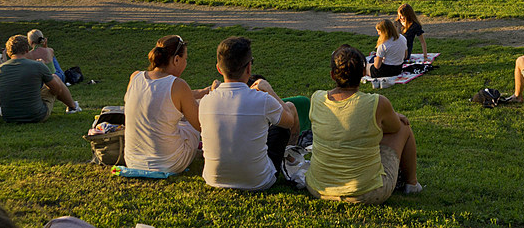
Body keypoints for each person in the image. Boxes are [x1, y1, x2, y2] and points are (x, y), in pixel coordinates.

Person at [306, 45, 422, 203]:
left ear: (333, 75)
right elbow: (394, 128)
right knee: (404, 127)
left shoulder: (317, 98)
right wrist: (393, 115)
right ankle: (412, 184)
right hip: (365, 193)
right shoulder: (377, 103)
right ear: (362, 73)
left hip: (318, 188)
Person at [198, 36, 299, 190]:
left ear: (219, 68)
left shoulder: (206, 101)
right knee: (286, 113)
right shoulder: (263, 99)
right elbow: (289, 121)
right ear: (249, 68)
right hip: (259, 181)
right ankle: (291, 157)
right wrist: (270, 90)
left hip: (213, 179)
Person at [123, 35, 210, 173]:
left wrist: (205, 91)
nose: (185, 63)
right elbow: (202, 125)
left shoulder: (135, 77)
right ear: (176, 60)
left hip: (133, 161)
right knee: (193, 119)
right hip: (169, 163)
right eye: (185, 59)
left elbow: (163, 97)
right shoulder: (178, 85)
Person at [0, 35, 80, 122]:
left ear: (8, 52)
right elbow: (57, 90)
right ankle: (73, 107)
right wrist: (44, 69)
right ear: (27, 50)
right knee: (55, 78)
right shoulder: (37, 65)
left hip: (9, 116)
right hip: (36, 115)